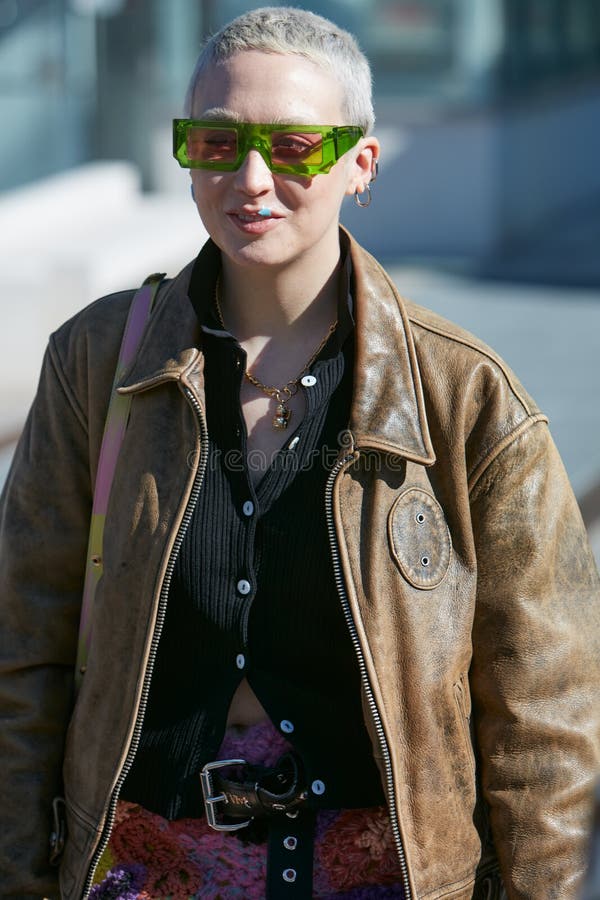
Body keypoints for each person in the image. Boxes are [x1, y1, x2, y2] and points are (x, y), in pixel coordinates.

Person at [0, 6, 599, 899]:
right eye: (216, 141)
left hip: (382, 878)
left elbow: (543, 720)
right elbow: (22, 652)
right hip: (142, 872)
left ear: (360, 164)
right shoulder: (96, 366)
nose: (250, 178)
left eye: (293, 148)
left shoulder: (468, 400)